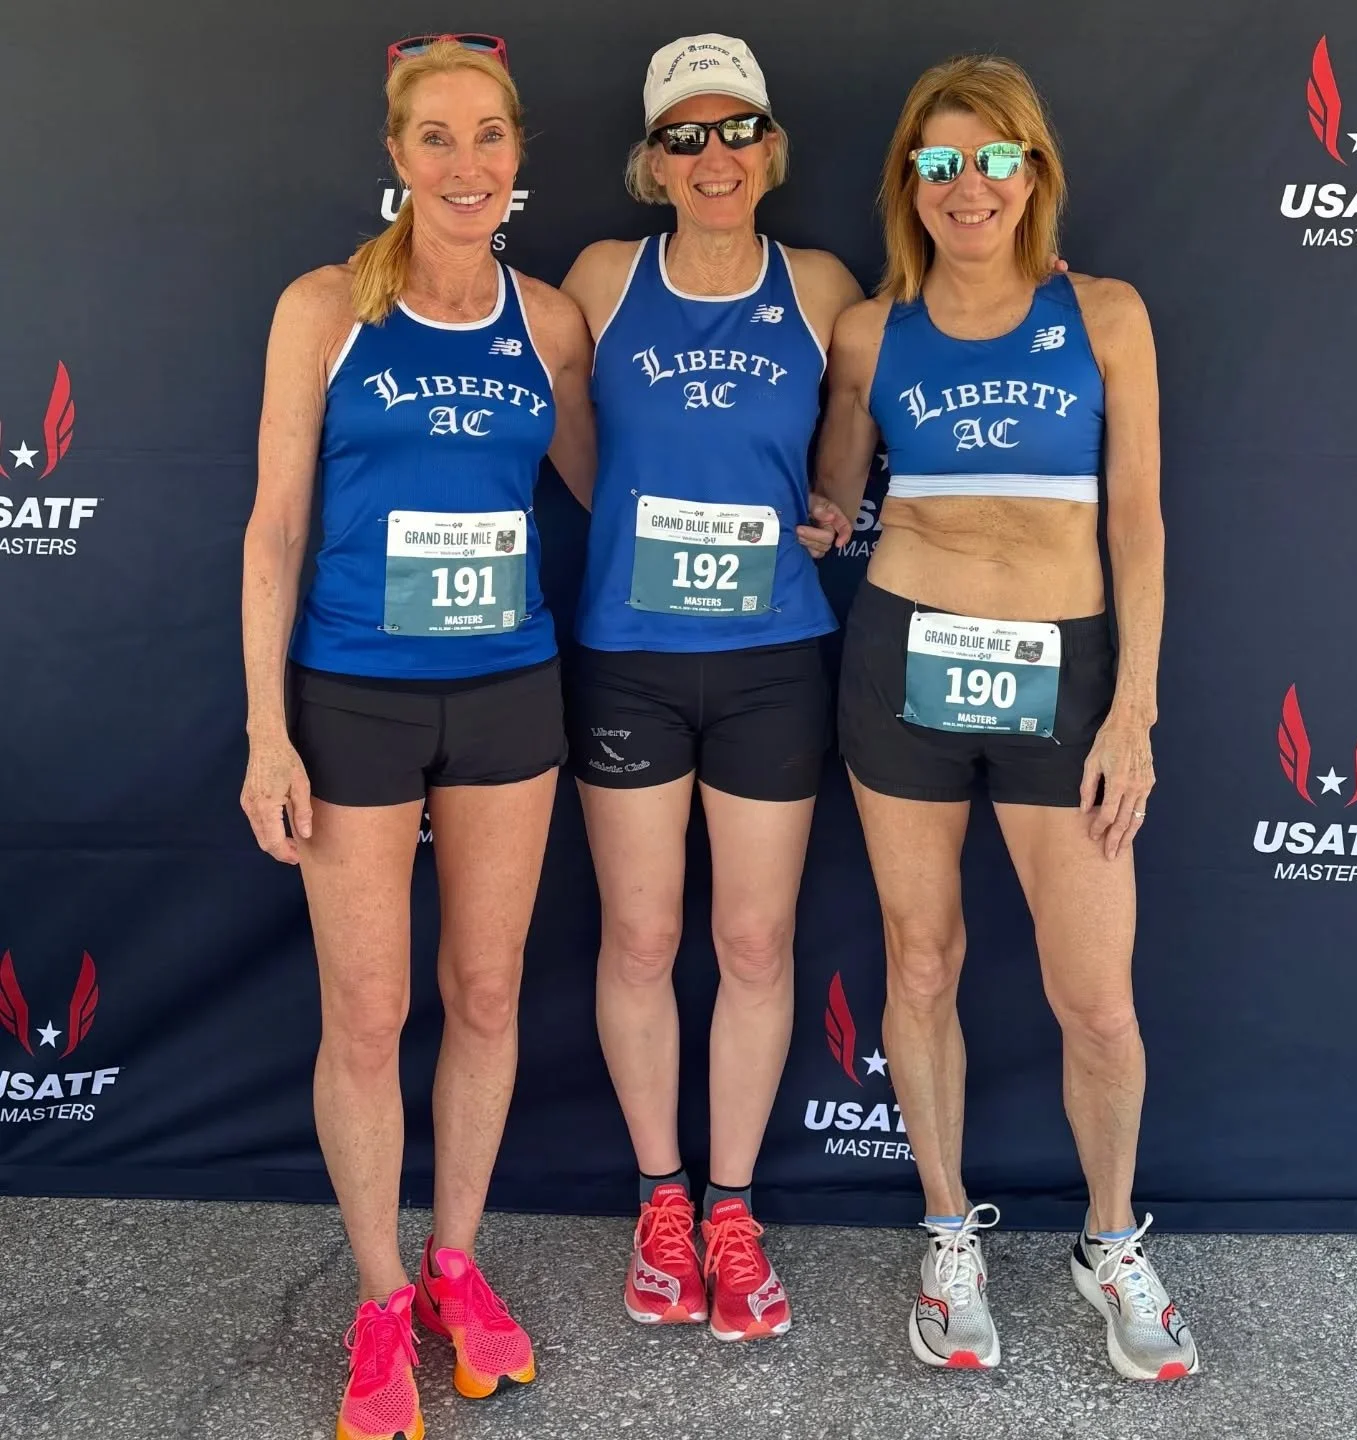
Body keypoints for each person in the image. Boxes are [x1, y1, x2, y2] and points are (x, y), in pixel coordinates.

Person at [815, 54, 1198, 1381]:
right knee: (920, 962)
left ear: (1032, 172)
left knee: (1093, 998)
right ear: (908, 186)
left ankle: (1109, 1244)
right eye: (937, 164)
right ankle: (946, 1234)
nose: (964, 186)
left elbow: (1139, 524)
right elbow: (832, 494)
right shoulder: (871, 330)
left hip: (1064, 672)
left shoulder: (1103, 316)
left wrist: (1135, 702)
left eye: (990, 160)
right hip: (905, 659)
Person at [240, 38, 594, 1440]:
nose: (465, 166)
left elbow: (605, 489)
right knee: (369, 1014)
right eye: (435, 139)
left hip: (510, 693)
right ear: (395, 155)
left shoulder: (549, 320)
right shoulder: (325, 308)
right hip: (356, 700)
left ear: (518, 156)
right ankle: (380, 1296)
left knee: (490, 996)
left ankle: (455, 1262)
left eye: (488, 138)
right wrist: (268, 730)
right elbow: (273, 529)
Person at [560, 33, 858, 1343]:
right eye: (685, 135)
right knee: (640, 940)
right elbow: (576, 450)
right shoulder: (604, 279)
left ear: (770, 148)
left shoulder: (826, 286)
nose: (713, 155)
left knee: (752, 943)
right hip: (629, 651)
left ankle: (730, 1209)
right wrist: (635, 532)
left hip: (772, 660)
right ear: (652, 162)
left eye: (735, 129)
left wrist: (830, 516)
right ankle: (662, 1201)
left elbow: (842, 469)